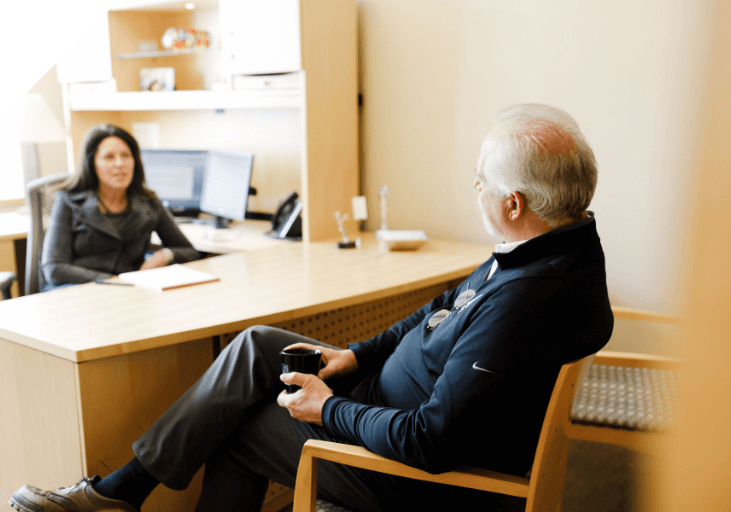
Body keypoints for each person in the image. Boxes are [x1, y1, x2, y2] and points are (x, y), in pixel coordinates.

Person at [9, 104, 614, 512]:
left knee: (236, 426)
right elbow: (437, 309)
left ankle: (117, 494)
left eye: (480, 179)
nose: (474, 187)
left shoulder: (526, 299)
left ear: (513, 203)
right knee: (255, 345)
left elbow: (431, 440)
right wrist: (352, 356)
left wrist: (331, 409)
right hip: (385, 401)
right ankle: (121, 491)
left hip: (414, 473)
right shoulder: (549, 247)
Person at [39, 124, 200, 291]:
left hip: (129, 290)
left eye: (126, 155)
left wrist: (163, 255)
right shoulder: (68, 200)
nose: (119, 163)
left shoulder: (148, 202)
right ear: (92, 163)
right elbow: (54, 268)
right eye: (109, 157)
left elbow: (189, 251)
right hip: (77, 289)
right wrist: (110, 280)